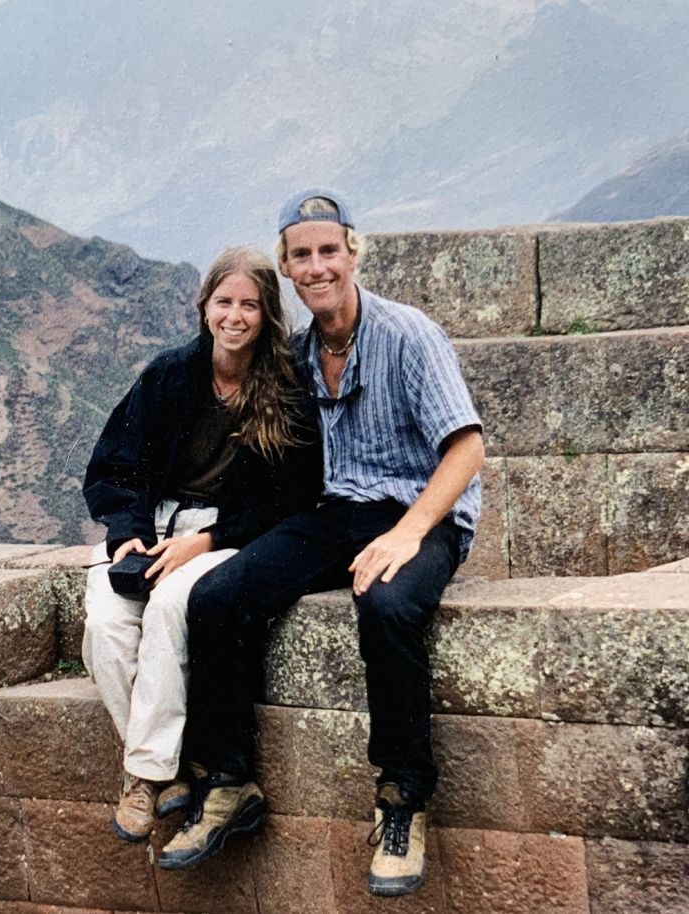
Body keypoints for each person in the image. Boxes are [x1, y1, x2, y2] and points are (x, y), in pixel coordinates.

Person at [160, 190, 483, 897]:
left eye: (328, 251)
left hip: (419, 512)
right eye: (301, 256)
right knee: (217, 599)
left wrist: (407, 532)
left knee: (390, 606)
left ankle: (403, 799)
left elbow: (466, 448)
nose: (316, 266)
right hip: (337, 513)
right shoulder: (299, 355)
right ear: (287, 266)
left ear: (352, 253)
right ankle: (229, 782)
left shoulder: (408, 334)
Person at [81, 247, 321, 845]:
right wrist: (126, 531)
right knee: (106, 625)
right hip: (154, 526)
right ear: (204, 307)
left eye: (249, 305)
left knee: (169, 610)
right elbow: (118, 462)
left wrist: (205, 541)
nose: (235, 316)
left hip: (226, 532)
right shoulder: (169, 376)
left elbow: (285, 501)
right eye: (224, 302)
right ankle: (178, 771)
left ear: (267, 314)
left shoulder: (284, 390)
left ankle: (142, 777)